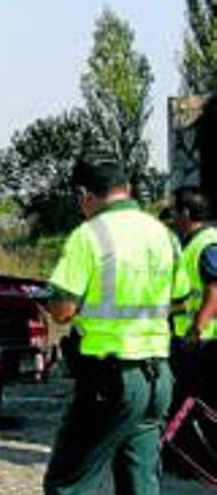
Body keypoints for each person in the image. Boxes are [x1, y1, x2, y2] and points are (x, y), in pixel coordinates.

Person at [43, 153, 187, 495]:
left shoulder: (88, 235)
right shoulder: (163, 235)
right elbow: (179, 299)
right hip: (157, 379)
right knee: (140, 483)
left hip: (109, 381)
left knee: (70, 483)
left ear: (84, 194)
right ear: (128, 188)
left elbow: (62, 310)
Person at [170, 187, 217, 404]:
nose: (172, 218)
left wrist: (196, 329)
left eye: (174, 211)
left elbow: (214, 290)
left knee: (200, 402)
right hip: (194, 339)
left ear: (186, 213)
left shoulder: (207, 244)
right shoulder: (191, 244)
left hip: (205, 341)